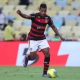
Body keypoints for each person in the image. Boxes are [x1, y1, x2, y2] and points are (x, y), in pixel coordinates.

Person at [17, 3, 65, 77]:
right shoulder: (34, 16)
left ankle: (44, 73)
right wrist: (20, 13)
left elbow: (53, 27)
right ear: (39, 10)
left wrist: (60, 36)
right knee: (32, 56)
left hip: (42, 39)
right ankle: (27, 57)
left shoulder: (47, 18)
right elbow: (26, 16)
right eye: (42, 11)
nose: (43, 13)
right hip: (32, 38)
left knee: (47, 53)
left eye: (45, 11)